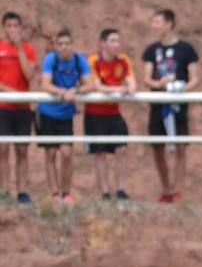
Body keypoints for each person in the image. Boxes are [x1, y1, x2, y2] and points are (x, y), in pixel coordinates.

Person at [142, 9, 201, 203]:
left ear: (169, 24)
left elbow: (194, 78)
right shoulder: (151, 50)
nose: (154, 26)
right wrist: (158, 84)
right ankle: (165, 188)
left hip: (178, 105)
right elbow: (146, 78)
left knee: (181, 147)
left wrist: (181, 87)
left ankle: (178, 190)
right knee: (157, 147)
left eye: (158, 22)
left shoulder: (186, 49)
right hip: (158, 105)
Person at [37, 29, 91, 203]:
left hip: (66, 115)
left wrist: (75, 90)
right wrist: (63, 92)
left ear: (72, 44)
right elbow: (45, 84)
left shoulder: (79, 60)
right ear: (56, 46)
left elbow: (90, 84)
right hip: (47, 113)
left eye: (67, 44)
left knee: (67, 153)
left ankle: (66, 193)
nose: (64, 47)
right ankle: (54, 194)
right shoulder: (51, 59)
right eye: (60, 44)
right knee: (50, 153)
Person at [86, 28, 135, 201]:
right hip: (94, 114)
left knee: (121, 149)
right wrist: (118, 90)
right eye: (112, 41)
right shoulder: (93, 60)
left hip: (114, 113)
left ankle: (121, 189)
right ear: (103, 43)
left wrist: (127, 89)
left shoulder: (123, 60)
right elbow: (96, 86)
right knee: (100, 153)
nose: (116, 45)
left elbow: (132, 84)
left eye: (118, 41)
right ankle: (105, 192)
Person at [0, 11, 37, 204]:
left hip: (22, 108)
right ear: (3, 27)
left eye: (16, 26)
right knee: (2, 149)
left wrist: (19, 48)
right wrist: (9, 91)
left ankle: (22, 191)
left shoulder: (29, 49)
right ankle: (4, 191)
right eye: (9, 26)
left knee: (22, 150)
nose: (12, 30)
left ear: (21, 29)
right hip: (3, 107)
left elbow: (29, 74)